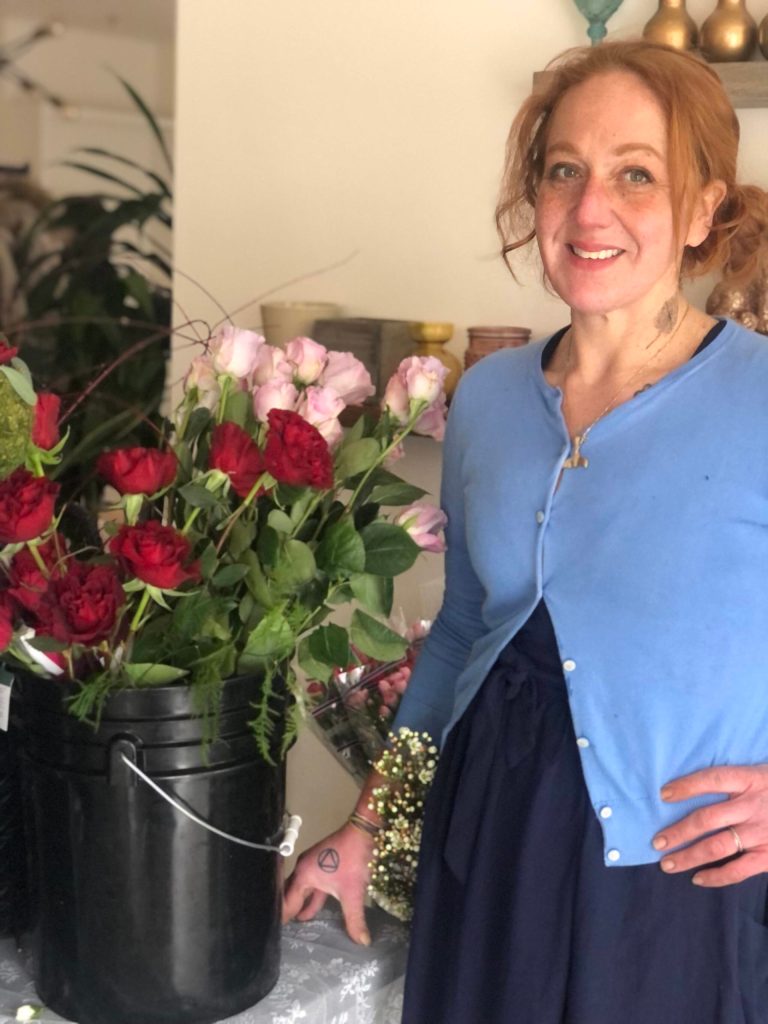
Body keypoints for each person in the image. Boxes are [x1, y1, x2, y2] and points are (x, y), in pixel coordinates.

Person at [284, 40, 768, 1022]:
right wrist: (373, 820)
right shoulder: (491, 398)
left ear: (702, 209)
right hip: (488, 836)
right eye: (564, 171)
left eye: (637, 174)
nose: (591, 210)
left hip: (677, 877)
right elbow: (464, 628)